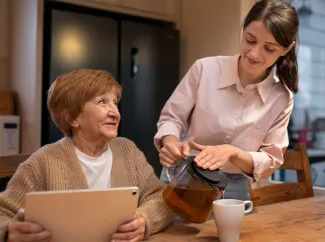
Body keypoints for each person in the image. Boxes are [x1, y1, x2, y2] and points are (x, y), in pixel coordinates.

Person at [0, 69, 172, 242]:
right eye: (102, 102)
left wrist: (144, 221)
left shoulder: (128, 150)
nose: (115, 113)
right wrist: (9, 231)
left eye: (115, 103)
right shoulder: (43, 161)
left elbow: (160, 198)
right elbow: (3, 212)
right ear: (72, 118)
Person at [154, 0, 299, 200]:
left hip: (233, 188)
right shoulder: (205, 69)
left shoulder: (281, 98)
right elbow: (172, 118)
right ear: (243, 30)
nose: (254, 53)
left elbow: (271, 159)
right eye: (250, 40)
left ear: (286, 49)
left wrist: (234, 153)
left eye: (269, 48)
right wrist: (170, 143)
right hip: (183, 177)